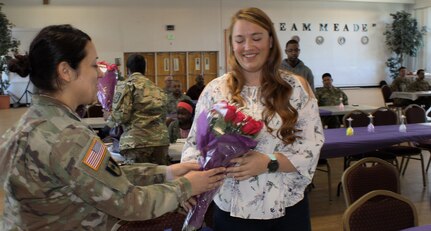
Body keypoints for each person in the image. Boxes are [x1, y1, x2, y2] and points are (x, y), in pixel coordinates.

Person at [0, 24, 226, 230]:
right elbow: (129, 203)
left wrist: (167, 172)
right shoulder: (67, 137)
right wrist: (186, 186)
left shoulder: (29, 123)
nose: (99, 73)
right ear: (66, 71)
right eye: (92, 64)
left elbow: (103, 175)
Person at [181, 7, 323, 231]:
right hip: (230, 212)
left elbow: (310, 148)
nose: (248, 47)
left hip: (287, 211)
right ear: (232, 45)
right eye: (240, 40)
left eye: (256, 38)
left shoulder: (296, 88)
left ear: (270, 41)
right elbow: (194, 146)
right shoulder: (215, 90)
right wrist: (188, 182)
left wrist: (267, 162)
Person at [110, 54, 170, 164]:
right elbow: (164, 116)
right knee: (159, 179)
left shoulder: (127, 85)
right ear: (145, 69)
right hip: (160, 142)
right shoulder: (157, 88)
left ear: (127, 69)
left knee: (138, 179)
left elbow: (122, 116)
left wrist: (109, 116)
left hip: (136, 142)